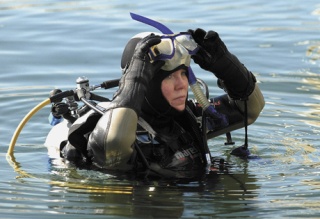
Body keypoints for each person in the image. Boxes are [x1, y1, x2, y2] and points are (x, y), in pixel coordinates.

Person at [54, 28, 264, 179]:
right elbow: (114, 146)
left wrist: (228, 67)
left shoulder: (186, 119)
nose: (182, 85)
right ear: (147, 83)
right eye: (170, 77)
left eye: (184, 74)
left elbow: (249, 109)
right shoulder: (109, 131)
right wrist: (134, 81)